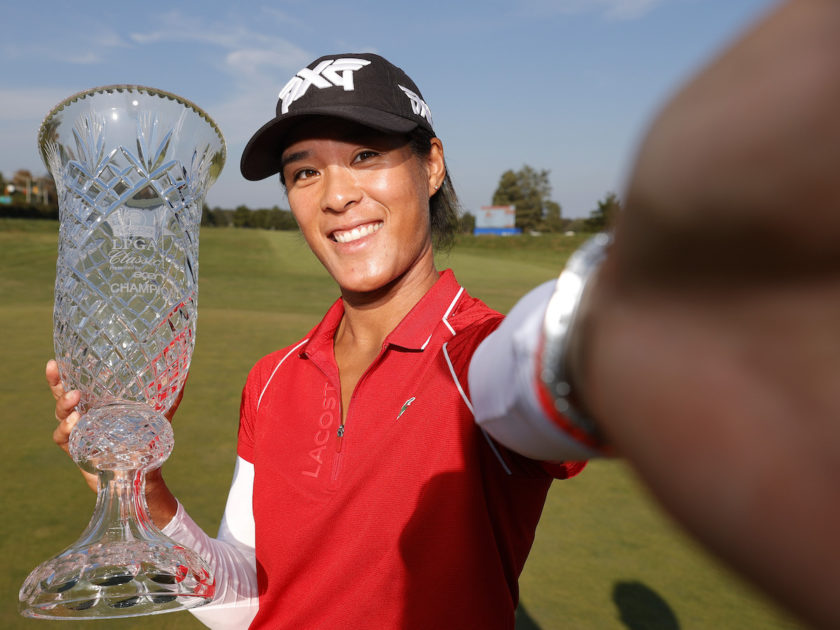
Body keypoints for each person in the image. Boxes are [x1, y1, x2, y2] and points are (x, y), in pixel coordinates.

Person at [49, 0, 840, 628]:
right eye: (302, 171)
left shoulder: (482, 355)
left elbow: (543, 371)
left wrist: (631, 310)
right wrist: (145, 496)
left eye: (365, 155)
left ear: (431, 164)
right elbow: (249, 602)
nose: (336, 195)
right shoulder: (272, 380)